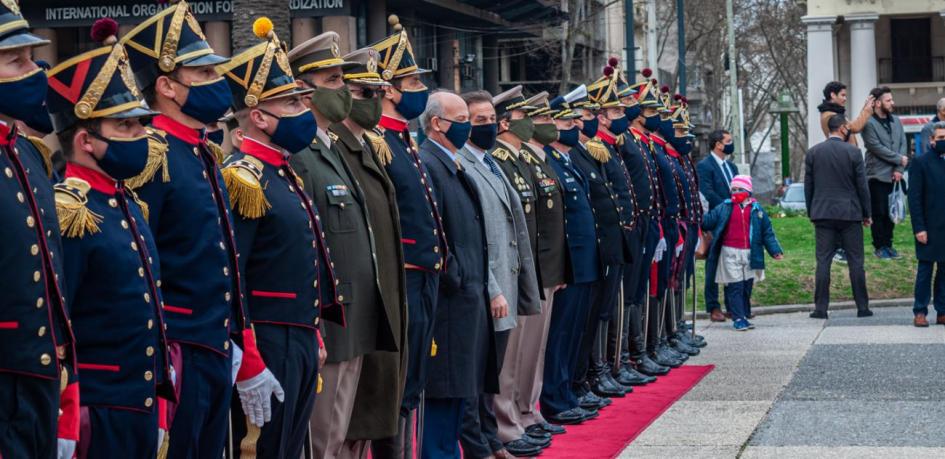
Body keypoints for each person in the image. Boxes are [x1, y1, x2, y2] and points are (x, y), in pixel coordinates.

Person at [120, 4, 278, 457]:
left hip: (213, 342)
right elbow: (140, 265)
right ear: (167, 86)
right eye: (204, 73)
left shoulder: (201, 152)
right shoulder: (151, 154)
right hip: (177, 347)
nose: (218, 82)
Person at [218, 19, 344, 457]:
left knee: (291, 446)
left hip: (298, 335)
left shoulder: (280, 171)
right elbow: (233, 279)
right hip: (267, 339)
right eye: (291, 103)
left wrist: (314, 330)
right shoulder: (243, 178)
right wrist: (249, 357)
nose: (303, 111)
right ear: (258, 116)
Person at [47, 25, 175, 456]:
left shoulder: (127, 204)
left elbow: (150, 319)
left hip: (135, 405)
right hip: (95, 410)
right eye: (125, 126)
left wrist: (157, 405)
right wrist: (67, 420)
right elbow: (58, 331)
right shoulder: (70, 212)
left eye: (140, 124)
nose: (142, 136)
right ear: (85, 140)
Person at [286, 32, 404, 459]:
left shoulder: (331, 147)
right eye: (333, 81)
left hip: (356, 316)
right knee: (324, 436)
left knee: (344, 433)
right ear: (305, 88)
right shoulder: (299, 154)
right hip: (332, 319)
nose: (343, 90)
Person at [0, 5, 78, 457]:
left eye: (32, 58)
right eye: (17, 61)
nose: (36, 72)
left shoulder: (29, 155)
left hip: (40, 375)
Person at [371, 19, 448, 453]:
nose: (419, 88)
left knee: (415, 378)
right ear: (388, 89)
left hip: (424, 275)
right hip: (403, 277)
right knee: (399, 387)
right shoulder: (382, 143)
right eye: (412, 81)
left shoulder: (403, 142)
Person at [330, 47, 412, 457]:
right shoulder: (330, 151)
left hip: (385, 304)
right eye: (365, 92)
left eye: (380, 91)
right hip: (353, 311)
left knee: (373, 416)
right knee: (347, 424)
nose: (376, 101)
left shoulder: (371, 146)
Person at [458, 90, 541, 459]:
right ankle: (480, 442)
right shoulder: (462, 164)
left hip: (506, 282)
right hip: (487, 287)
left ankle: (491, 437)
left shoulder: (489, 161)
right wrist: (493, 287)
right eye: (479, 121)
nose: (488, 126)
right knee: (479, 377)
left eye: (492, 119)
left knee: (491, 375)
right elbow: (472, 237)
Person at [418, 90, 496, 459]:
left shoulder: (450, 162)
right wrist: (459, 277)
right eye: (463, 121)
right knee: (443, 398)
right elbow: (433, 236)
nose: (468, 128)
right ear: (437, 124)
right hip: (449, 303)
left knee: (457, 393)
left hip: (465, 300)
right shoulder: (430, 163)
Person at [541, 101, 601, 426]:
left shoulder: (567, 161)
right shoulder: (549, 162)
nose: (576, 127)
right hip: (569, 264)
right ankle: (554, 398)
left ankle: (566, 393)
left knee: (573, 333)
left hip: (583, 261)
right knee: (560, 335)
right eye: (567, 122)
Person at [805, 114, 873, 319]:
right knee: (856, 261)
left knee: (823, 261)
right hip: (850, 213)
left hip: (823, 214)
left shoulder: (813, 153)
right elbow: (862, 186)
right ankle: (862, 306)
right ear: (843, 128)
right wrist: (866, 213)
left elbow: (809, 187)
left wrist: (812, 211)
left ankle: (820, 308)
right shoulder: (853, 152)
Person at [701, 176, 783, 331]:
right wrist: (697, 215)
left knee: (746, 285)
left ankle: (744, 313)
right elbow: (707, 221)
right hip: (729, 253)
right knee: (735, 285)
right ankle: (738, 317)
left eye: (740, 189)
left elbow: (767, 232)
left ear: (749, 191)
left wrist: (775, 250)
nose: (736, 192)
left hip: (750, 254)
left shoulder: (757, 210)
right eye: (734, 190)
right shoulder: (724, 207)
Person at [861, 86, 908, 260]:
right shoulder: (868, 123)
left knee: (891, 213)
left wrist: (899, 169)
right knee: (879, 213)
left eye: (892, 99)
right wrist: (898, 159)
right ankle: (879, 246)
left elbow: (903, 144)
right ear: (878, 103)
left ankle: (889, 245)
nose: (892, 103)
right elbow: (875, 147)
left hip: (894, 176)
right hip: (876, 176)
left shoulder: (896, 120)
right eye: (888, 100)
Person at [696, 129, 738, 322]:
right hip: (716, 219)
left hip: (734, 221)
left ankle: (733, 305)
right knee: (713, 264)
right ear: (718, 144)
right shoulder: (704, 166)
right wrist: (727, 206)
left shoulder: (732, 167)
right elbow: (707, 192)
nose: (731, 144)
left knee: (731, 262)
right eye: (728, 141)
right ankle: (713, 307)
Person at [907, 121, 945, 327]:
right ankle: (920, 311)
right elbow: (914, 199)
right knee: (925, 271)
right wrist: (919, 228)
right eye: (940, 138)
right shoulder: (920, 163)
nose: (943, 141)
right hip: (928, 227)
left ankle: (942, 310)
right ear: (931, 140)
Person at [817, 80, 873, 147]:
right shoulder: (830, 115)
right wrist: (867, 110)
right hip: (843, 154)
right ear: (833, 95)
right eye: (842, 95)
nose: (845, 98)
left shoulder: (834, 112)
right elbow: (855, 127)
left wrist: (865, 107)